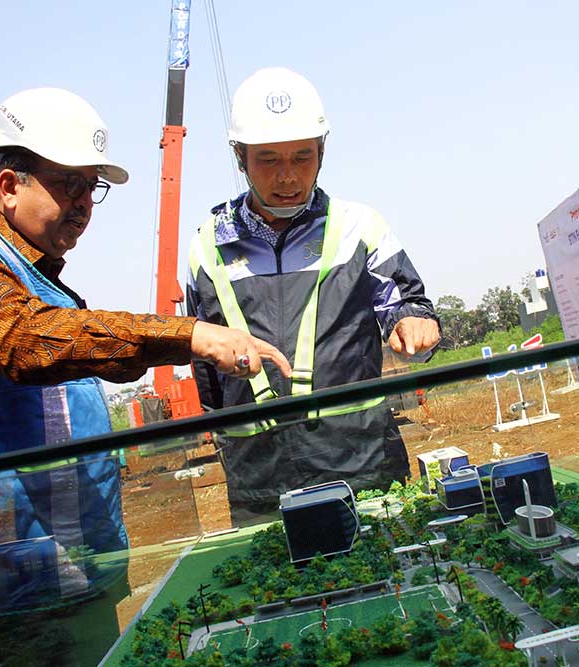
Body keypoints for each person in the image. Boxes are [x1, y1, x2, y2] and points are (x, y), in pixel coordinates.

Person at [0, 87, 290, 667]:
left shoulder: (31, 274)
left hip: (62, 567)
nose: (85, 204)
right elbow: (24, 342)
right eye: (69, 185)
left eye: (93, 187)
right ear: (10, 186)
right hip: (7, 581)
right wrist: (188, 335)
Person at [186, 67, 440, 523]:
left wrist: (414, 323)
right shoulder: (207, 247)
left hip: (363, 469)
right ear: (239, 157)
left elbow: (406, 305)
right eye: (268, 160)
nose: (287, 177)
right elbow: (206, 374)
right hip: (260, 483)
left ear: (323, 151)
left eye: (302, 157)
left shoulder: (359, 228)